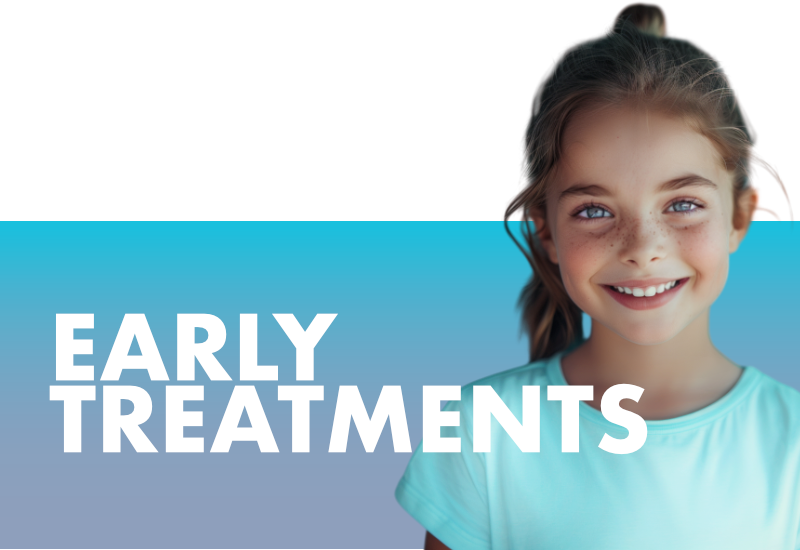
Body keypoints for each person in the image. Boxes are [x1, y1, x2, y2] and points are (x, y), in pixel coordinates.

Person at [394, 3, 799, 549]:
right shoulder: (481, 434)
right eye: (593, 211)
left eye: (682, 204)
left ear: (740, 216)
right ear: (545, 232)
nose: (642, 250)